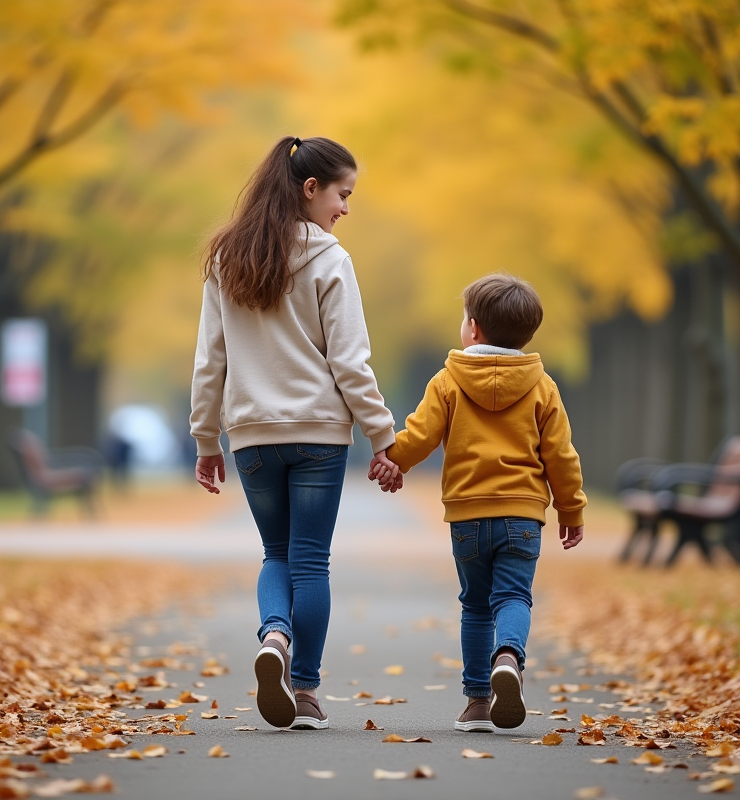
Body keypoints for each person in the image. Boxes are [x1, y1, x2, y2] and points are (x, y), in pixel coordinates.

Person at [190, 136, 400, 731]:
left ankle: (274, 637)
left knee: (276, 554)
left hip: (252, 435)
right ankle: (304, 692)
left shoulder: (227, 259)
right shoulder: (331, 259)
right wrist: (383, 437)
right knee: (310, 562)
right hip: (318, 435)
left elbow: (211, 360)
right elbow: (350, 362)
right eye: (343, 194)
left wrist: (207, 439)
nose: (346, 209)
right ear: (311, 188)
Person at [371, 273, 586, 732]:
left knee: (474, 604)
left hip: (468, 515)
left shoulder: (449, 380)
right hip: (523, 514)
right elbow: (561, 455)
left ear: (473, 329)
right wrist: (571, 508)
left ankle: (477, 704)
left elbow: (421, 434)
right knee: (513, 596)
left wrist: (393, 461)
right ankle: (508, 656)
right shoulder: (542, 386)